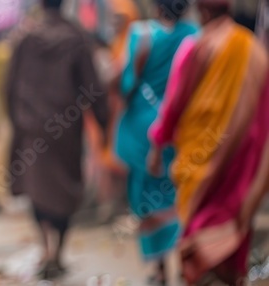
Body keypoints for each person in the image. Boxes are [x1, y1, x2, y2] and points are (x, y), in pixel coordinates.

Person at [147, 0, 269, 282]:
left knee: (200, 232)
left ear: (201, 11)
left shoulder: (197, 47)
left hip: (201, 162)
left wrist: (157, 144)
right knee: (232, 227)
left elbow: (174, 104)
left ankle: (202, 272)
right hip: (242, 157)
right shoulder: (254, 52)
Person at [5, 0, 109, 278]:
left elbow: (10, 85)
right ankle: (57, 252)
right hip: (65, 130)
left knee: (37, 189)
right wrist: (103, 123)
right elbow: (93, 88)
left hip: (31, 129)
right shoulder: (77, 38)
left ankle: (45, 247)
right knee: (65, 190)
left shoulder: (25, 38)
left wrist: (15, 120)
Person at [113, 0, 198, 283]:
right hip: (180, 125)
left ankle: (160, 268)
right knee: (177, 190)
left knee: (145, 193)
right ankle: (181, 260)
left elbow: (127, 83)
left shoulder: (141, 34)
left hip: (142, 128)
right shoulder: (194, 34)